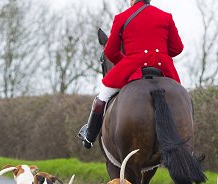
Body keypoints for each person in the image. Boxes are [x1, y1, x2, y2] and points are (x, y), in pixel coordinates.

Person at [77, 0, 184, 149]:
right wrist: (160, 52)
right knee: (182, 98)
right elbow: (177, 48)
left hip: (133, 66)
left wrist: (124, 61)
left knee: (103, 95)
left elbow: (110, 52)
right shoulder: (165, 16)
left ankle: (89, 137)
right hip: (163, 67)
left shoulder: (122, 17)